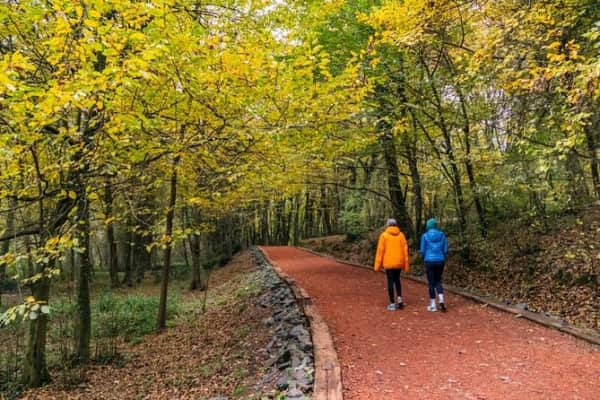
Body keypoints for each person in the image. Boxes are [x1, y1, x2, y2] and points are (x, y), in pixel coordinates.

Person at [374, 218, 409, 311]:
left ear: (388, 225)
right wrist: (406, 265)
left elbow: (380, 251)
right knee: (397, 280)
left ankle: (392, 303)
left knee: (390, 281)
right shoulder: (401, 235)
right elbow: (405, 251)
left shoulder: (384, 235)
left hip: (388, 263)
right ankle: (400, 299)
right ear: (396, 225)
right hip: (399, 262)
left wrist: (377, 266)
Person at [420, 218, 448, 312]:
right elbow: (445, 250)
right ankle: (441, 300)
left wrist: (424, 257)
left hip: (429, 261)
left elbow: (422, 250)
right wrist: (442, 256)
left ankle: (433, 305)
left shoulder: (425, 236)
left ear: (428, 226)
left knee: (431, 282)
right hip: (440, 261)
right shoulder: (442, 235)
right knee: (438, 280)